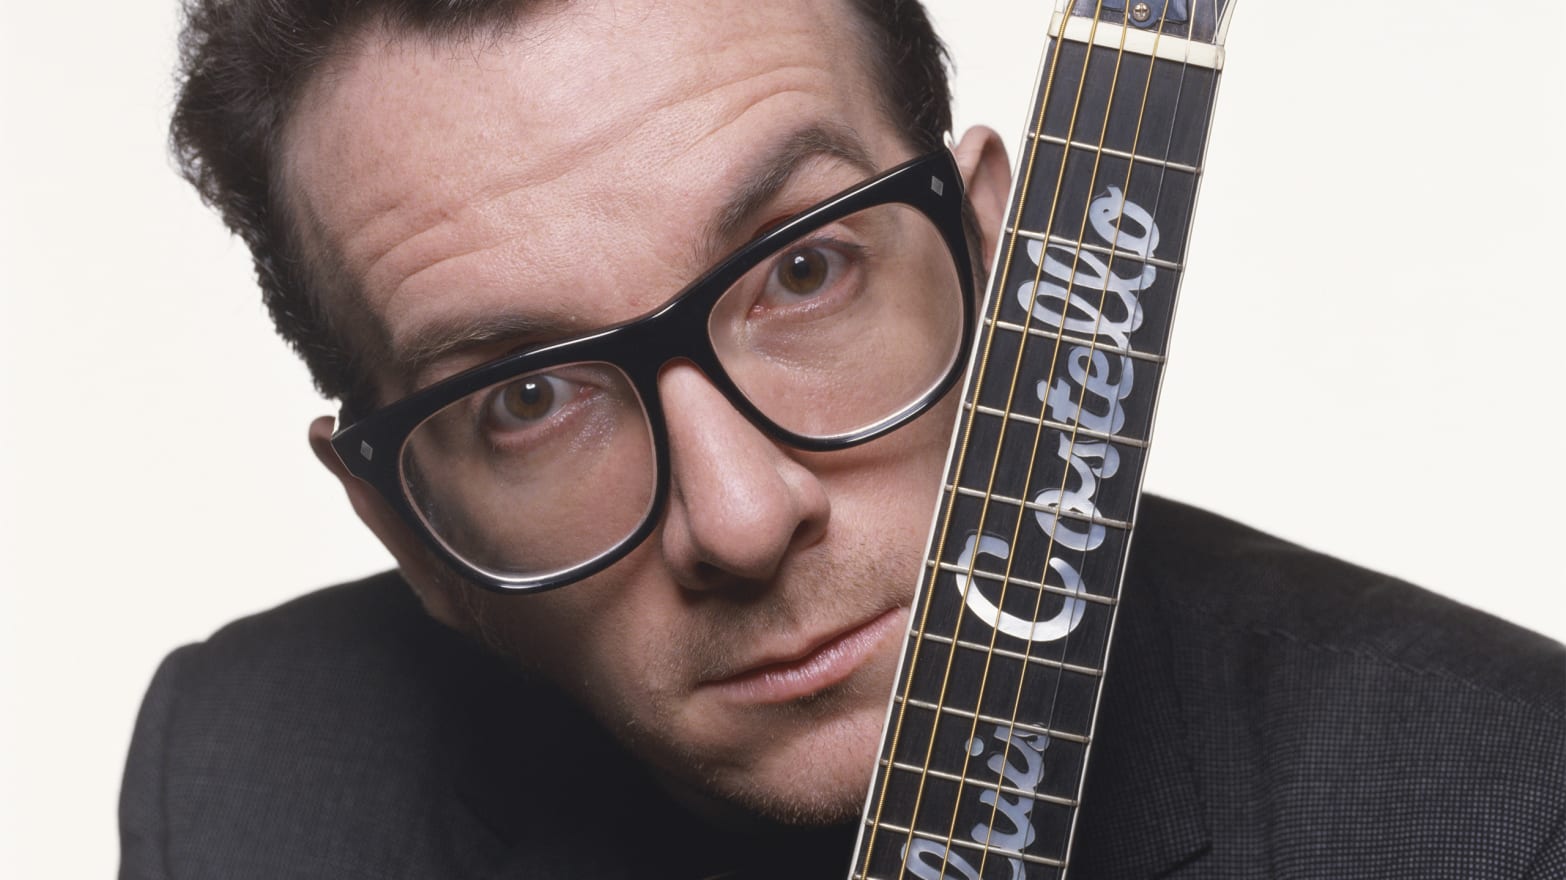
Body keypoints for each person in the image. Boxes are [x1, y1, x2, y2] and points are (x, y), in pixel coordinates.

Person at [120, 0, 1566, 877]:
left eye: (803, 271)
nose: (743, 519)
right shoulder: (247, 778)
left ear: (1005, 262)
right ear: (403, 526)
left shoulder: (1516, 817)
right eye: (528, 397)